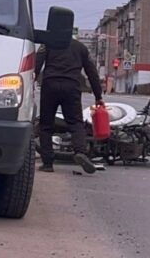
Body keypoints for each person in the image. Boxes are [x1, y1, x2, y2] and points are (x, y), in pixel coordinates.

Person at [35, 37, 104, 175]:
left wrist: (30, 83)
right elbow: (92, 72)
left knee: (46, 125)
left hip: (50, 86)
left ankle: (48, 163)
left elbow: (36, 65)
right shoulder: (80, 47)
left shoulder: (48, 43)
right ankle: (80, 152)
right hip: (71, 86)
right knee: (75, 123)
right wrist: (98, 96)